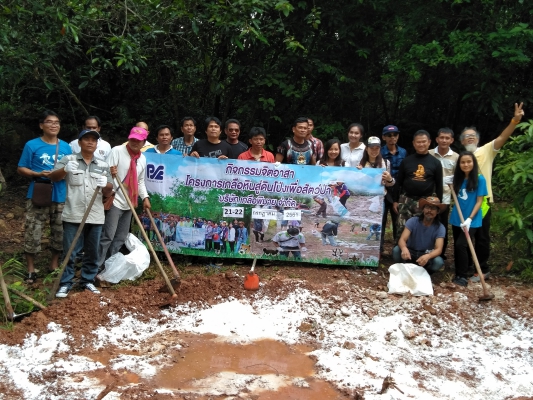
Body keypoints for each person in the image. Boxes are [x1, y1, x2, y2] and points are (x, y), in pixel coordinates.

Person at [459, 102, 525, 282]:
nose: (470, 138)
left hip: (483, 201)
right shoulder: (461, 159)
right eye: (466, 137)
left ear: (478, 139)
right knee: (466, 234)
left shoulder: (486, 150)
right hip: (465, 201)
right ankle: (467, 266)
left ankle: (483, 269)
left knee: (481, 236)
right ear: (462, 141)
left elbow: (503, 137)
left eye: (473, 136)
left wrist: (515, 121)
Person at [49, 129, 113, 297]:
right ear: (79, 142)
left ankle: (87, 281)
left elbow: (108, 191)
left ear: (97, 144)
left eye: (94, 140)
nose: (90, 142)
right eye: (86, 139)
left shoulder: (103, 165)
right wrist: (65, 170)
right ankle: (65, 283)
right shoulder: (68, 160)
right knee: (70, 250)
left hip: (95, 214)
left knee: (92, 251)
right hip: (73, 212)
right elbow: (53, 177)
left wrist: (106, 184)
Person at [17, 110, 72, 284]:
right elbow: (21, 168)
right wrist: (37, 173)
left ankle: (53, 264)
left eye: (57, 122)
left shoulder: (66, 147)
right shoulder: (32, 145)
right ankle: (31, 269)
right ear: (41, 125)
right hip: (38, 191)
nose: (54, 125)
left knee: (60, 231)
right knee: (33, 230)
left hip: (60, 193)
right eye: (49, 122)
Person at [97, 126, 151, 268]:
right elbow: (105, 173)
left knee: (120, 237)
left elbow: (140, 181)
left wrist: (145, 198)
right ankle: (96, 266)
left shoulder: (142, 159)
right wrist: (110, 171)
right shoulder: (117, 151)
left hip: (130, 203)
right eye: (133, 139)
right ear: (129, 138)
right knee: (108, 236)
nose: (135, 142)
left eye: (138, 140)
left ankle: (109, 266)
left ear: (144, 142)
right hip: (115, 200)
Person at [393, 130, 443, 238]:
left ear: (429, 142)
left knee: (421, 229)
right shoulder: (406, 161)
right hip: (406, 199)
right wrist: (395, 201)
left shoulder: (435, 163)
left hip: (425, 201)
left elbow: (439, 185)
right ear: (414, 143)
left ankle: (419, 248)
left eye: (423, 141)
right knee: (402, 228)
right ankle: (400, 248)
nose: (421, 144)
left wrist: (438, 205)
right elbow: (399, 182)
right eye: (418, 142)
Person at [449, 152, 488, 287]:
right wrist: (449, 183)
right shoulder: (457, 179)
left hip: (472, 219)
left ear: (473, 163)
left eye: (469, 162)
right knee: (458, 245)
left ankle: (463, 276)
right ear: (459, 164)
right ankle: (458, 272)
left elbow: (479, 201)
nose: (466, 164)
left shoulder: (480, 179)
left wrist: (470, 218)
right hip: (457, 217)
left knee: (461, 244)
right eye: (463, 162)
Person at [393, 196, 446, 275]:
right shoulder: (413, 221)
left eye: (433, 208)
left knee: (438, 262)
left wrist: (428, 256)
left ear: (437, 211)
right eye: (427, 207)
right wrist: (404, 248)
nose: (429, 210)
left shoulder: (440, 227)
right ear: (423, 209)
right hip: (410, 252)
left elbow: (438, 249)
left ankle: (426, 272)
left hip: (425, 254)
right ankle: (403, 267)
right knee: (396, 250)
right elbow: (402, 239)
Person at [429, 128, 459, 259]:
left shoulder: (456, 157)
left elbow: (458, 178)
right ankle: (426, 249)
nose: (444, 140)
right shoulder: (429, 154)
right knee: (427, 221)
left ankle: (441, 253)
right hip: (429, 195)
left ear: (452, 140)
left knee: (442, 224)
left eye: (447, 138)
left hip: (445, 197)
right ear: (437, 139)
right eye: (441, 137)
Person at [381, 125, 407, 241]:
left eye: (395, 135)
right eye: (389, 135)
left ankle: (398, 245)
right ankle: (379, 247)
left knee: (398, 219)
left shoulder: (403, 152)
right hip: (383, 189)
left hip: (398, 190)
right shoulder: (380, 152)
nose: (392, 137)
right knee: (381, 219)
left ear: (398, 136)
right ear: (384, 137)